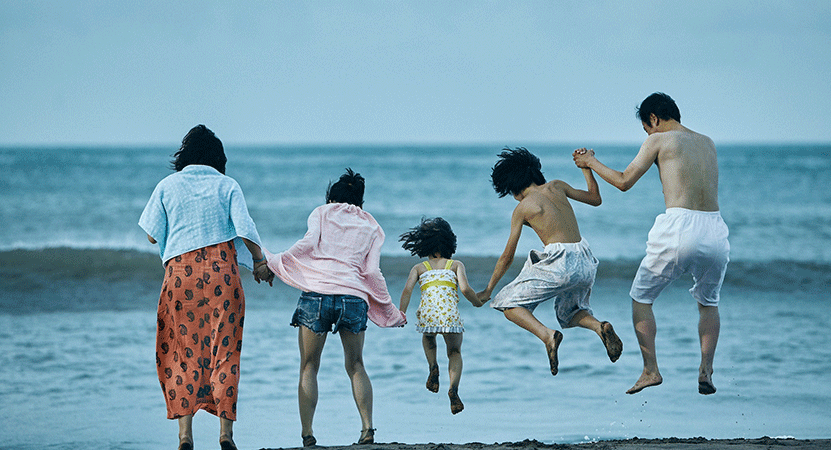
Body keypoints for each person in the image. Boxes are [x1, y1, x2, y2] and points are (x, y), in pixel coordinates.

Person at [573, 92, 730, 395]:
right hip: (715, 229)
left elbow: (623, 181)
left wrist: (590, 162)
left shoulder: (659, 139)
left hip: (680, 227)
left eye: (646, 127)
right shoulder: (707, 142)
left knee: (641, 298)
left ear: (654, 119)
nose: (647, 133)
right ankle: (706, 370)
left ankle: (650, 370)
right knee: (708, 303)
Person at [139, 125, 273, 450]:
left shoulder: (167, 185)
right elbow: (245, 227)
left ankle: (185, 436)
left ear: (184, 156)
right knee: (226, 352)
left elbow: (151, 235)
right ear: (218, 157)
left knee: (180, 351)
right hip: (221, 275)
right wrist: (259, 261)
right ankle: (225, 435)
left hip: (179, 275)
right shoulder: (227, 185)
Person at [263, 169, 406, 447]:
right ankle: (367, 429)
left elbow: (306, 245)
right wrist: (389, 310)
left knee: (308, 366)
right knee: (356, 365)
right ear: (360, 200)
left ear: (331, 197)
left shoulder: (321, 213)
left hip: (316, 294)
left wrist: (275, 262)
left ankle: (307, 434)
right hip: (352, 298)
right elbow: (373, 272)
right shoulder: (373, 226)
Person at [478, 148, 623, 377]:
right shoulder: (557, 186)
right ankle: (599, 326)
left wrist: (488, 289)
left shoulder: (523, 207)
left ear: (512, 187)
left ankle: (547, 335)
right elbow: (595, 199)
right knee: (569, 313)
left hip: (560, 263)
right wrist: (586, 169)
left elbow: (507, 256)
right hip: (585, 260)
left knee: (506, 303)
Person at [398, 217, 486, 414]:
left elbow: (406, 291)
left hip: (428, 315)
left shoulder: (420, 268)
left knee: (429, 338)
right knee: (454, 352)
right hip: (449, 315)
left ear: (424, 244)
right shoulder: (455, 265)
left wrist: (401, 313)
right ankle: (453, 390)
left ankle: (432, 367)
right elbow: (465, 289)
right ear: (449, 242)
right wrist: (477, 302)